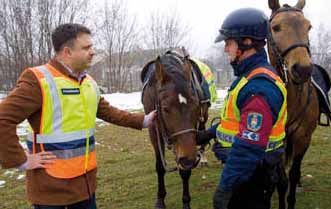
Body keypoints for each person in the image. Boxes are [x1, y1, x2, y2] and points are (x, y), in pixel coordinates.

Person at [0, 23, 156, 209]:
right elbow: (3, 118)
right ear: (67, 52)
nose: (93, 51)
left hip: (85, 186)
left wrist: (143, 120)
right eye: (86, 47)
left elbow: (107, 111)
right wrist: (21, 160)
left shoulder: (88, 82)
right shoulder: (38, 80)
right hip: (52, 191)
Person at [197, 8, 287, 209]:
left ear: (245, 44)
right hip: (247, 173)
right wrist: (209, 133)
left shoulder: (259, 87)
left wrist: (225, 188)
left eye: (228, 43)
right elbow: (239, 122)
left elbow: (248, 147)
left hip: (250, 177)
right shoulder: (249, 77)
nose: (225, 49)